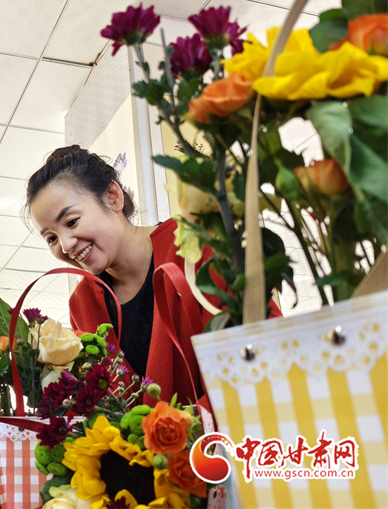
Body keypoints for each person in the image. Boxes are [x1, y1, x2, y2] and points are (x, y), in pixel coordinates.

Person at [25, 145, 279, 408]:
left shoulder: (197, 247)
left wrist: (186, 424)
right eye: (51, 238)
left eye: (71, 222)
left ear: (112, 197)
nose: (65, 245)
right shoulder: (83, 303)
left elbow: (265, 355)